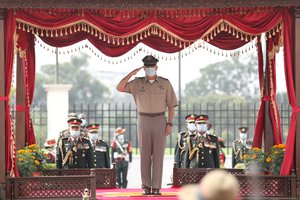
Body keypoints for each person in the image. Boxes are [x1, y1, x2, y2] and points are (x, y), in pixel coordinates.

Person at [116, 55, 178, 195]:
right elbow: (119, 87)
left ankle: (156, 187)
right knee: (144, 154)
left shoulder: (165, 83)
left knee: (158, 155)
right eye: (147, 67)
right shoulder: (137, 83)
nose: (150, 69)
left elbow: (172, 105)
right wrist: (131, 74)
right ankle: (145, 186)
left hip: (160, 119)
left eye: (152, 66)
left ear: (156, 67)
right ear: (144, 68)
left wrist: (169, 124)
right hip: (143, 120)